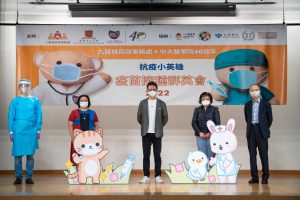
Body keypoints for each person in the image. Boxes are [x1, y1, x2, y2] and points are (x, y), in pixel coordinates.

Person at [8, 79, 43, 185]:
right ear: (19, 87)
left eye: (26, 85)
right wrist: (11, 131)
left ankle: (29, 177)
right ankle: (18, 177)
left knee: (30, 155)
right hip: (17, 129)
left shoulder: (35, 101)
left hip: (31, 129)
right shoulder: (15, 101)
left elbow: (39, 116)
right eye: (22, 85)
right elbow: (11, 116)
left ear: (30, 86)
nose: (24, 87)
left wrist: (37, 129)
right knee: (18, 156)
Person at [137, 81, 168, 184]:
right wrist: (145, 126)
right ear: (147, 91)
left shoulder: (161, 103)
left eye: (154, 90)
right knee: (146, 155)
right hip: (146, 133)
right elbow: (139, 118)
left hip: (157, 133)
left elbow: (165, 118)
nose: (152, 91)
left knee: (157, 155)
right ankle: (146, 176)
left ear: (157, 91)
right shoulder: (142, 103)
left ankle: (158, 176)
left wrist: (159, 127)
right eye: (150, 90)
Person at [244, 84, 273, 184]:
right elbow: (247, 119)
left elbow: (270, 119)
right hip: (251, 131)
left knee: (263, 155)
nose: (254, 91)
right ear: (249, 93)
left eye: (256, 89)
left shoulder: (266, 104)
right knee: (252, 156)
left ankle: (265, 177)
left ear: (259, 91)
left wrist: (264, 128)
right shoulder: (247, 105)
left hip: (262, 132)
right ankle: (254, 178)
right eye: (252, 90)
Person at [68, 95, 100, 164]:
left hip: (89, 139)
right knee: (77, 157)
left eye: (85, 100)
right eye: (82, 101)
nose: (83, 102)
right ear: (78, 102)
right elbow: (70, 125)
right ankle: (78, 173)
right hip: (77, 138)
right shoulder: (74, 112)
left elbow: (96, 125)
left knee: (88, 157)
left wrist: (95, 137)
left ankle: (87, 173)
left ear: (88, 102)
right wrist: (72, 137)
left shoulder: (92, 112)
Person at [192, 92, 220, 165]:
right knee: (202, 156)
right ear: (200, 100)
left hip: (212, 136)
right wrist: (199, 132)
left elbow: (217, 123)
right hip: (200, 136)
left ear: (210, 100)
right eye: (203, 99)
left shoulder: (215, 109)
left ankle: (211, 174)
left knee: (212, 156)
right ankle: (203, 174)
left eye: (207, 99)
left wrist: (210, 133)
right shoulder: (197, 109)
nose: (205, 100)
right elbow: (194, 122)